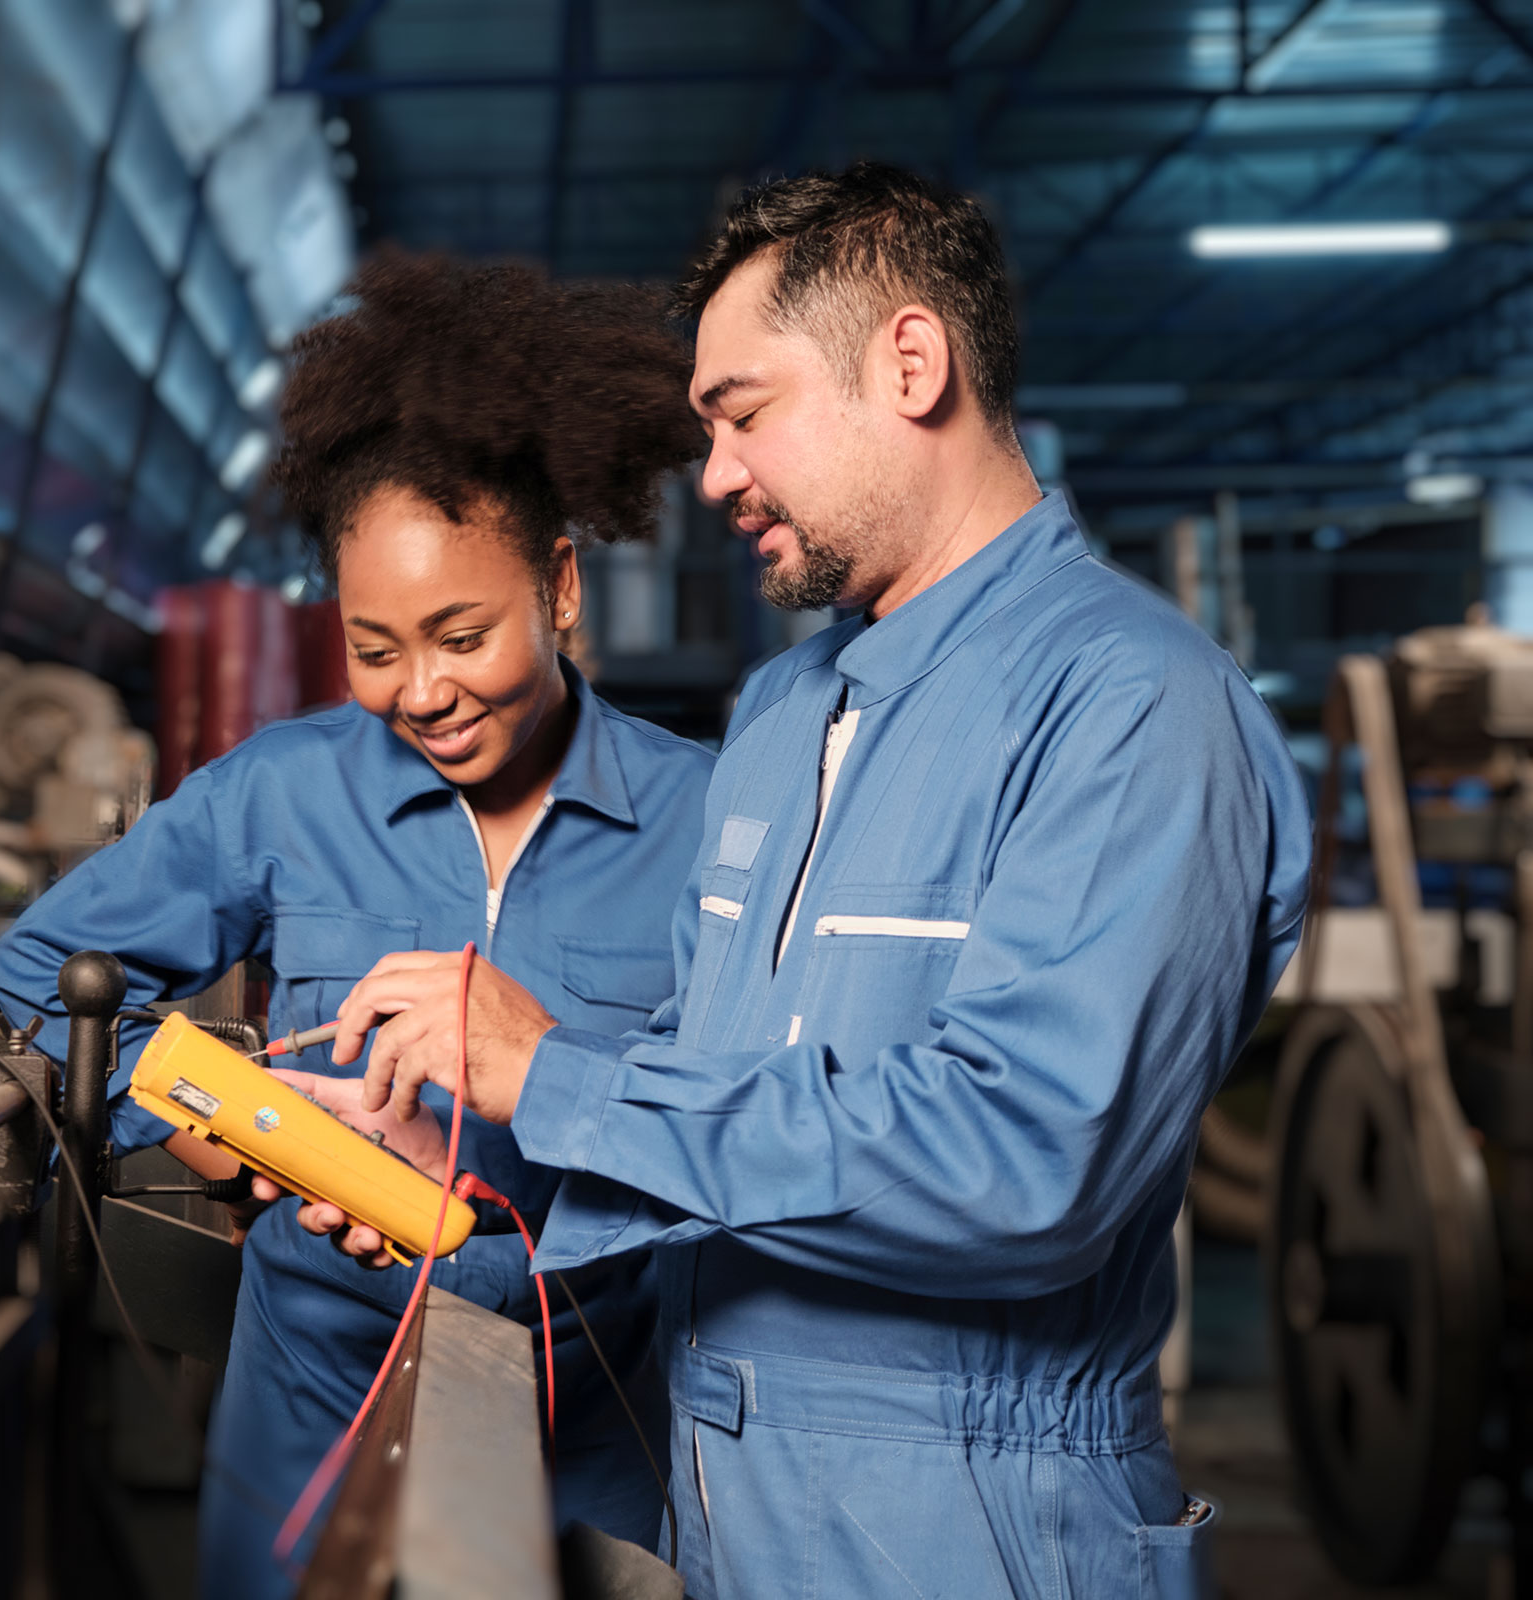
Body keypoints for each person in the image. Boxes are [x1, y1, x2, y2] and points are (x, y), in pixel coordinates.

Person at [315, 165, 1313, 1599]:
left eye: (742, 412)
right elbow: (716, 1083)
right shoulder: (786, 717)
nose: (714, 472)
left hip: (977, 1522)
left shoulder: (1132, 710)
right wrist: (478, 1171)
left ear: (911, 363)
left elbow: (1035, 1159)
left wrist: (562, 1080)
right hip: (734, 1499)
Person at [0, 252, 716, 1599]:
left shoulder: (713, 822)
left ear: (560, 587)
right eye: (375, 648)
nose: (422, 691)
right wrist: (215, 1120)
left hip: (609, 1370)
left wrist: (556, 1069)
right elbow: (39, 974)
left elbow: (758, 1108)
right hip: (326, 1352)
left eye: (461, 632)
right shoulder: (288, 788)